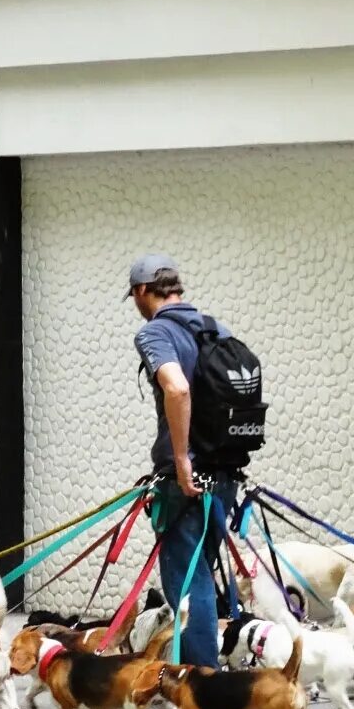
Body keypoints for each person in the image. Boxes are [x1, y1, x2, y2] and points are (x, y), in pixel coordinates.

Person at [127, 254, 240, 669]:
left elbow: (177, 389)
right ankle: (209, 672)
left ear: (142, 291)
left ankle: (202, 683)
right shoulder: (214, 328)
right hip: (225, 474)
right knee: (203, 576)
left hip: (187, 480)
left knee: (186, 583)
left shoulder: (156, 332)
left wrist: (179, 460)